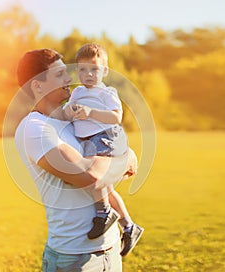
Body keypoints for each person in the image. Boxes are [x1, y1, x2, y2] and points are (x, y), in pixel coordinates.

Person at [14, 48, 138, 271]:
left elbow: (121, 155)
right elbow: (91, 177)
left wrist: (122, 156)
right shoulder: (34, 129)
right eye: (60, 74)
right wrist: (124, 158)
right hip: (74, 258)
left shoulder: (74, 123)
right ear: (37, 85)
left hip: (110, 250)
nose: (69, 78)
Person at [63, 43, 144, 256]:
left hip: (104, 138)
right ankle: (129, 226)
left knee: (93, 178)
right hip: (87, 141)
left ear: (104, 71)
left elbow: (116, 117)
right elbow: (67, 111)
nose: (88, 74)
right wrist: (69, 110)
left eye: (94, 69)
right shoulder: (78, 92)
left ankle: (104, 213)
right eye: (82, 69)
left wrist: (90, 112)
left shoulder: (106, 92)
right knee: (105, 188)